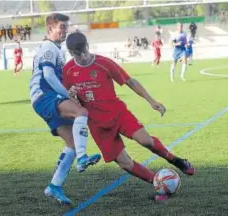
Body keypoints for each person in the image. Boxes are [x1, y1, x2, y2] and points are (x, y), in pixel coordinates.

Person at [63, 32, 195, 201]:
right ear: (70, 52)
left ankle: (177, 161)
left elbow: (130, 81)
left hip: (118, 114)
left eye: (84, 52)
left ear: (88, 46)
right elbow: (67, 99)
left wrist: (151, 101)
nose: (82, 57)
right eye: (77, 54)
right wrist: (71, 96)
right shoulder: (68, 70)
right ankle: (159, 183)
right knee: (125, 164)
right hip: (97, 125)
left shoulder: (104, 63)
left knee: (145, 140)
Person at [29, 13, 101, 205]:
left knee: (72, 143)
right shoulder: (48, 47)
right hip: (45, 96)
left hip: (47, 98)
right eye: (61, 27)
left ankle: (54, 186)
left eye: (66, 27)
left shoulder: (56, 49)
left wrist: (70, 90)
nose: (64, 30)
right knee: (81, 112)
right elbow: (48, 75)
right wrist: (67, 94)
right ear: (49, 29)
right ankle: (83, 158)